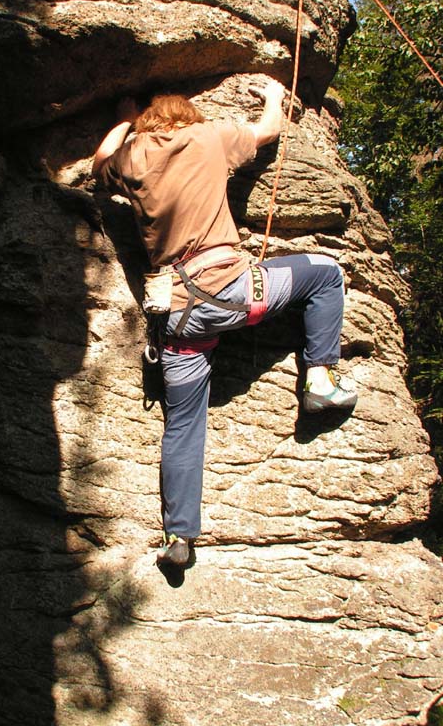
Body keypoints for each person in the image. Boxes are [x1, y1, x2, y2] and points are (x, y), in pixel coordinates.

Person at [92, 77, 357, 567]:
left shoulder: (134, 158)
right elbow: (267, 131)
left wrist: (124, 119)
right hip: (233, 295)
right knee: (324, 274)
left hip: (177, 318)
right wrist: (276, 99)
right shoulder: (208, 135)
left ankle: (178, 537)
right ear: (186, 117)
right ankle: (320, 377)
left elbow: (98, 163)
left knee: (184, 425)